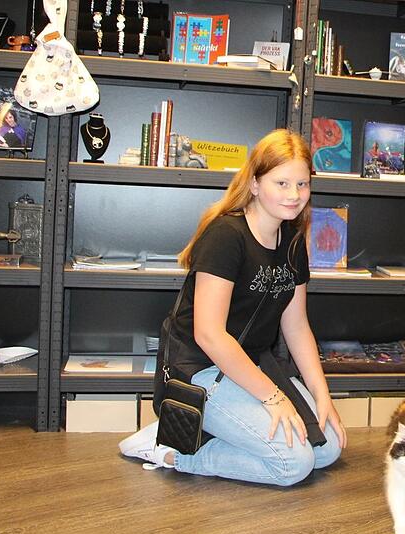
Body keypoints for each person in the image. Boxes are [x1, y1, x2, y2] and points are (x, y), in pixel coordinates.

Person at [119, 129, 346, 485]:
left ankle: (219, 430)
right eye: (282, 183)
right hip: (199, 370)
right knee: (293, 464)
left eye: (302, 184)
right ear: (255, 183)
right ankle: (171, 450)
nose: (295, 195)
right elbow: (208, 335)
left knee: (327, 448)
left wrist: (322, 395)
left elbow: (297, 325)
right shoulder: (227, 235)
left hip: (250, 366)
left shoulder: (293, 242)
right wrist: (273, 397)